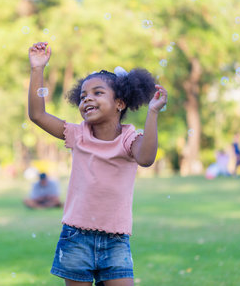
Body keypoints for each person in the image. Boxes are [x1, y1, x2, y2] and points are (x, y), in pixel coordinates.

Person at [28, 41, 167, 286]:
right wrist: (37, 69)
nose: (87, 99)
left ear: (120, 103)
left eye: (97, 93)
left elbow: (145, 158)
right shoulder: (77, 134)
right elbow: (37, 115)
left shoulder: (129, 139)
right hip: (76, 237)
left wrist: (153, 112)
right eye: (83, 96)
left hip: (116, 240)